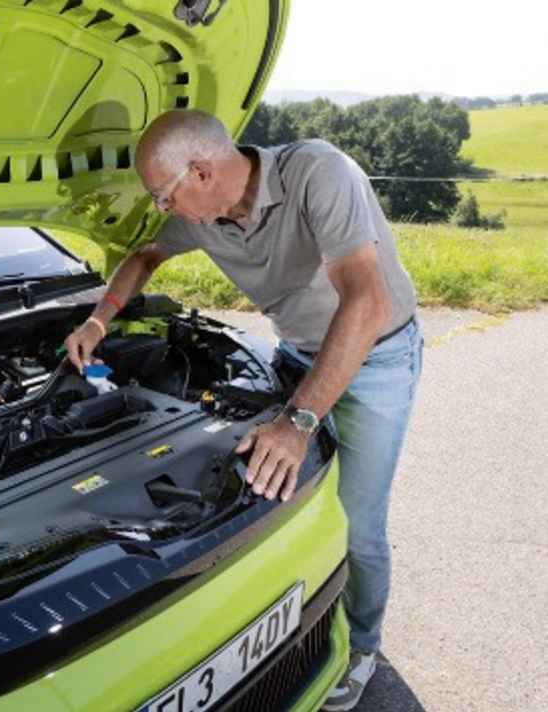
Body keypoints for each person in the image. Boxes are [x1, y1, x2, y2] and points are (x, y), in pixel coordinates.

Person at [63, 109, 423, 712]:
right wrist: (100, 319)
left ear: (201, 171)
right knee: (277, 501)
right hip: (297, 352)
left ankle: (361, 646)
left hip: (377, 357)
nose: (160, 208)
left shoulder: (318, 173)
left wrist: (298, 422)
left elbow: (366, 298)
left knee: (357, 523)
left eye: (162, 195)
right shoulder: (203, 217)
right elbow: (144, 254)